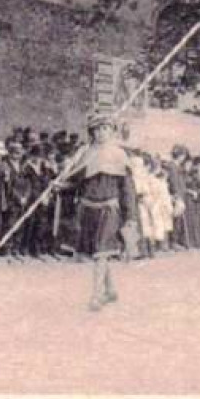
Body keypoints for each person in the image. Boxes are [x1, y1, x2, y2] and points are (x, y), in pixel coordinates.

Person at [62, 113, 136, 311]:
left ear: (111, 131)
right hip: (87, 209)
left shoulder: (120, 155)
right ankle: (110, 289)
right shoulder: (85, 154)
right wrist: (60, 185)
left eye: (105, 128)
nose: (101, 132)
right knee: (99, 252)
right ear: (92, 132)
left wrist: (130, 217)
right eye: (97, 129)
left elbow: (128, 189)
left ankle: (96, 295)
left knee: (101, 253)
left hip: (109, 209)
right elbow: (74, 181)